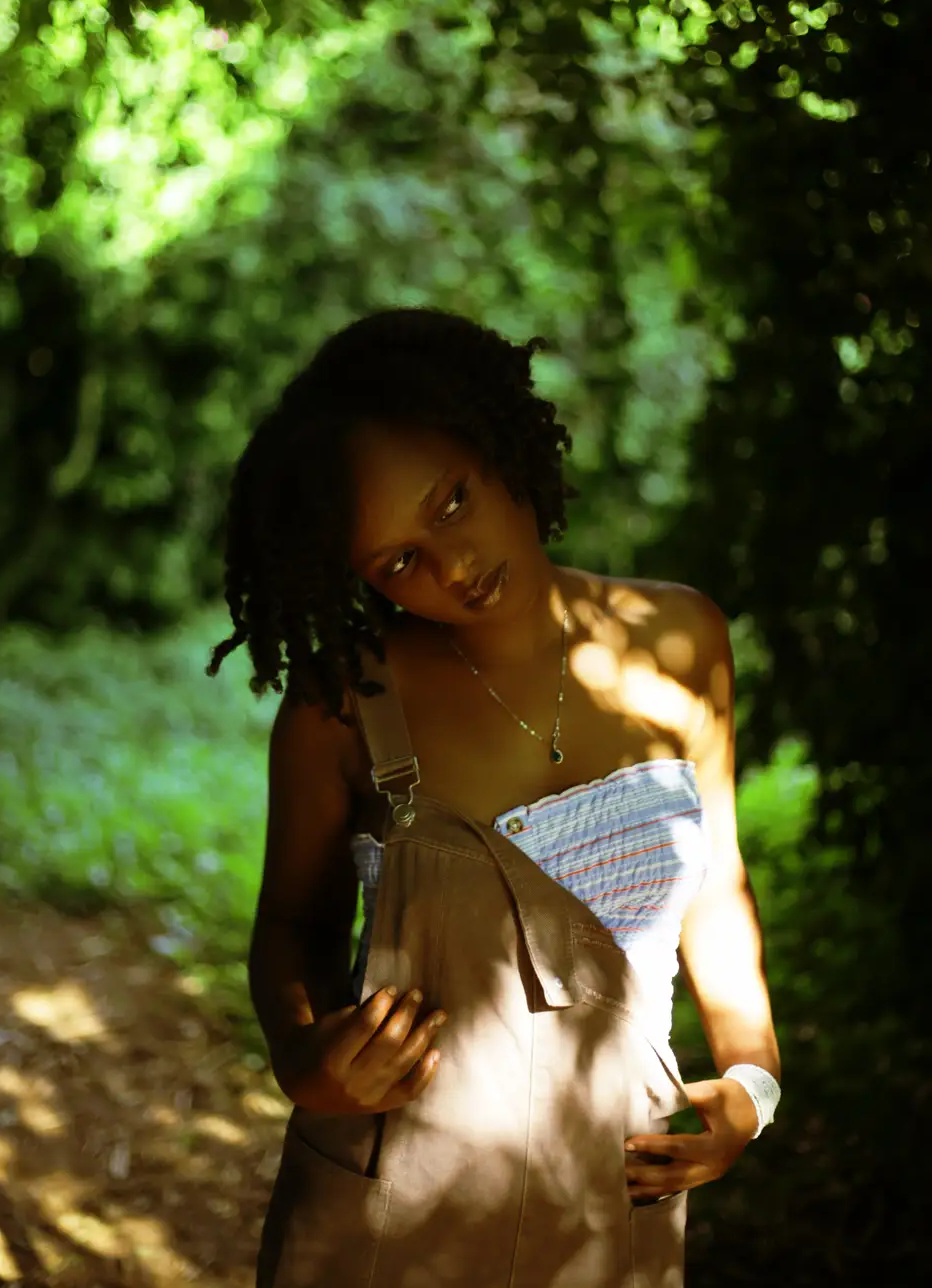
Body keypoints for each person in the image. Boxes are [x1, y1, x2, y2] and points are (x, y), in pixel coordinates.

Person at [207, 307, 782, 1287]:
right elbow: (291, 926)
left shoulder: (683, 640)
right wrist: (304, 1060)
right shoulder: (342, 705)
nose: (452, 565)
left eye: (451, 502)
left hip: (612, 1200)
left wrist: (750, 1082)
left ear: (493, 442)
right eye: (398, 562)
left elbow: (715, 887)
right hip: (385, 1207)